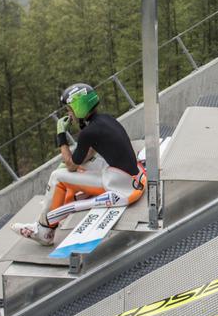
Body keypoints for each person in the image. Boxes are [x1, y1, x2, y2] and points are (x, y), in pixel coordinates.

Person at [11, 83, 146, 245]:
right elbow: (87, 157)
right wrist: (74, 164)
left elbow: (71, 165)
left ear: (79, 107)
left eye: (69, 109)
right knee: (75, 170)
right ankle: (54, 207)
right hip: (131, 177)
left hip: (119, 186)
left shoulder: (89, 133)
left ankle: (44, 230)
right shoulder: (106, 120)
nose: (69, 113)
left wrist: (61, 135)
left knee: (57, 176)